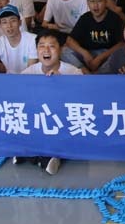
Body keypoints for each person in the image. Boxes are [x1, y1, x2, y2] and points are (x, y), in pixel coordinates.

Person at [18, 30, 82, 176]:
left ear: (61, 49)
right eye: (42, 46)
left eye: (51, 46)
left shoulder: (74, 72)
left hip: (61, 123)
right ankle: (38, 155)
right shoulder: (28, 73)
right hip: (39, 123)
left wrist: (61, 83)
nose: (46, 50)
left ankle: (46, 156)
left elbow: (80, 103)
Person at [65, 0, 124, 72]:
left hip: (107, 55)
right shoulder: (85, 18)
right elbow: (70, 40)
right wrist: (84, 53)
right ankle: (85, 73)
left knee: (119, 56)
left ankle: (98, 75)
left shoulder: (114, 18)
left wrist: (100, 58)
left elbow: (122, 44)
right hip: (88, 54)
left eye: (99, 1)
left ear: (106, 2)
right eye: (92, 1)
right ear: (87, 2)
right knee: (64, 51)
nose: (95, 5)